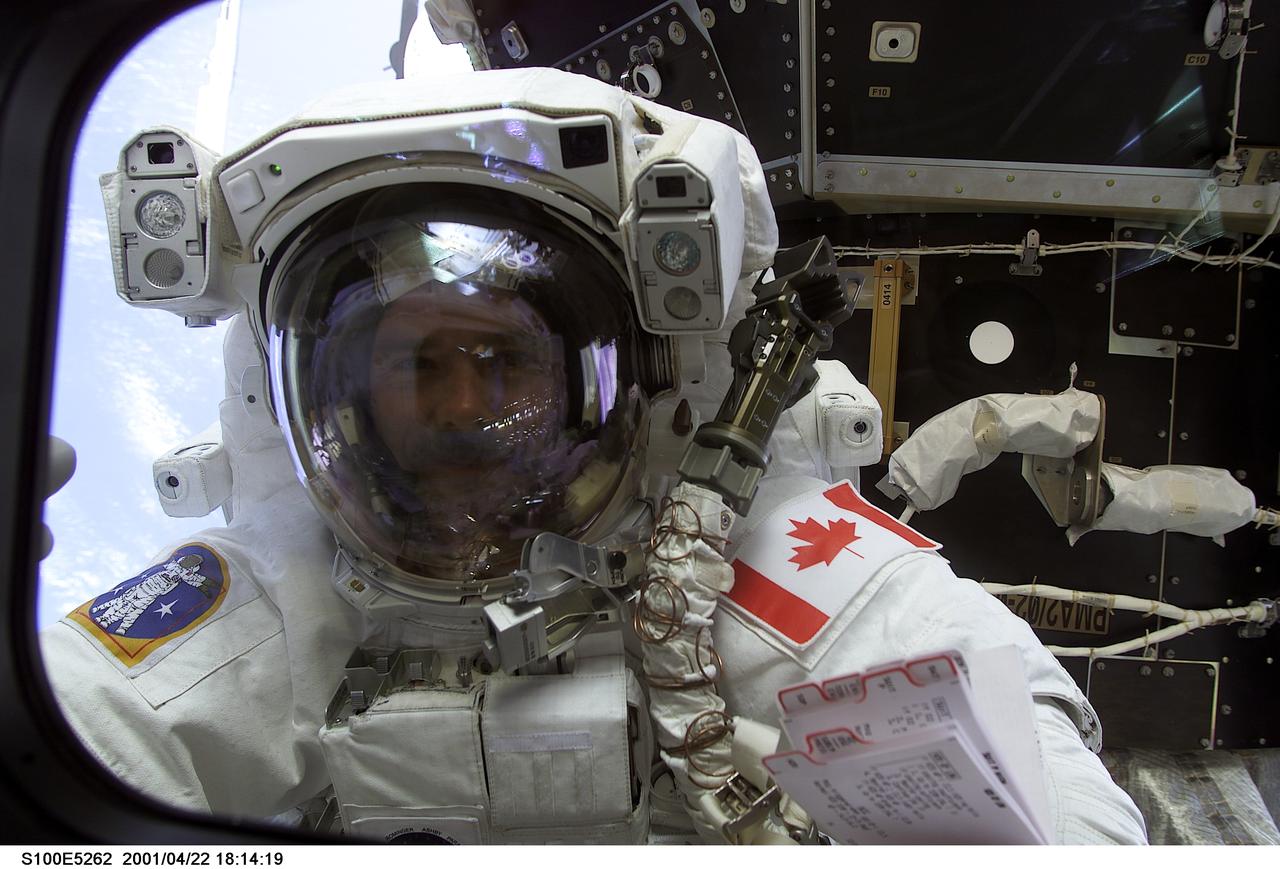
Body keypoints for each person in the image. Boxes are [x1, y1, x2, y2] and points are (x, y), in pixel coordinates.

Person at [40, 67, 1147, 845]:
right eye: (415, 364)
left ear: (620, 374)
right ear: (334, 394)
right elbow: (85, 734)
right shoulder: (291, 585)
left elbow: (1044, 793)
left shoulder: (774, 561)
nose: (465, 403)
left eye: (499, 355)